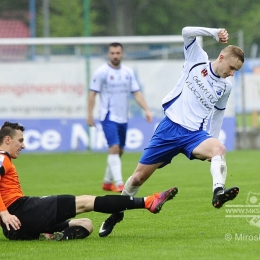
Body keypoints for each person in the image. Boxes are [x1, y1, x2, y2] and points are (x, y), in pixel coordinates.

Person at [98, 26, 244, 237]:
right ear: (221, 57)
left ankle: (218, 193)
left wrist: (211, 141)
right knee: (138, 178)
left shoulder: (225, 87)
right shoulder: (198, 59)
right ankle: (116, 214)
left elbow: (218, 115)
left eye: (235, 71)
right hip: (169, 129)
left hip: (194, 135)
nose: (231, 73)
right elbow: (186, 31)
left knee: (219, 148)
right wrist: (213, 33)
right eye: (231, 67)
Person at [0, 121, 178, 241]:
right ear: (7, 139)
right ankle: (147, 202)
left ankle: (50, 235)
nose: (23, 145)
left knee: (87, 224)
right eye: (20, 140)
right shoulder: (2, 157)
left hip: (19, 225)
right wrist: (4, 213)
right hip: (20, 211)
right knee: (86, 201)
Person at [87, 42, 153, 192]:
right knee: (114, 148)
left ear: (122, 54)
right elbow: (92, 94)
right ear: (108, 54)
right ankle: (119, 183)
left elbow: (136, 92)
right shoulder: (101, 72)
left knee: (120, 150)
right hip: (108, 115)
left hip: (123, 117)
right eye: (112, 53)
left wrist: (147, 110)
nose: (115, 56)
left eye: (118, 53)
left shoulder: (128, 72)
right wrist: (90, 114)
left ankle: (106, 182)